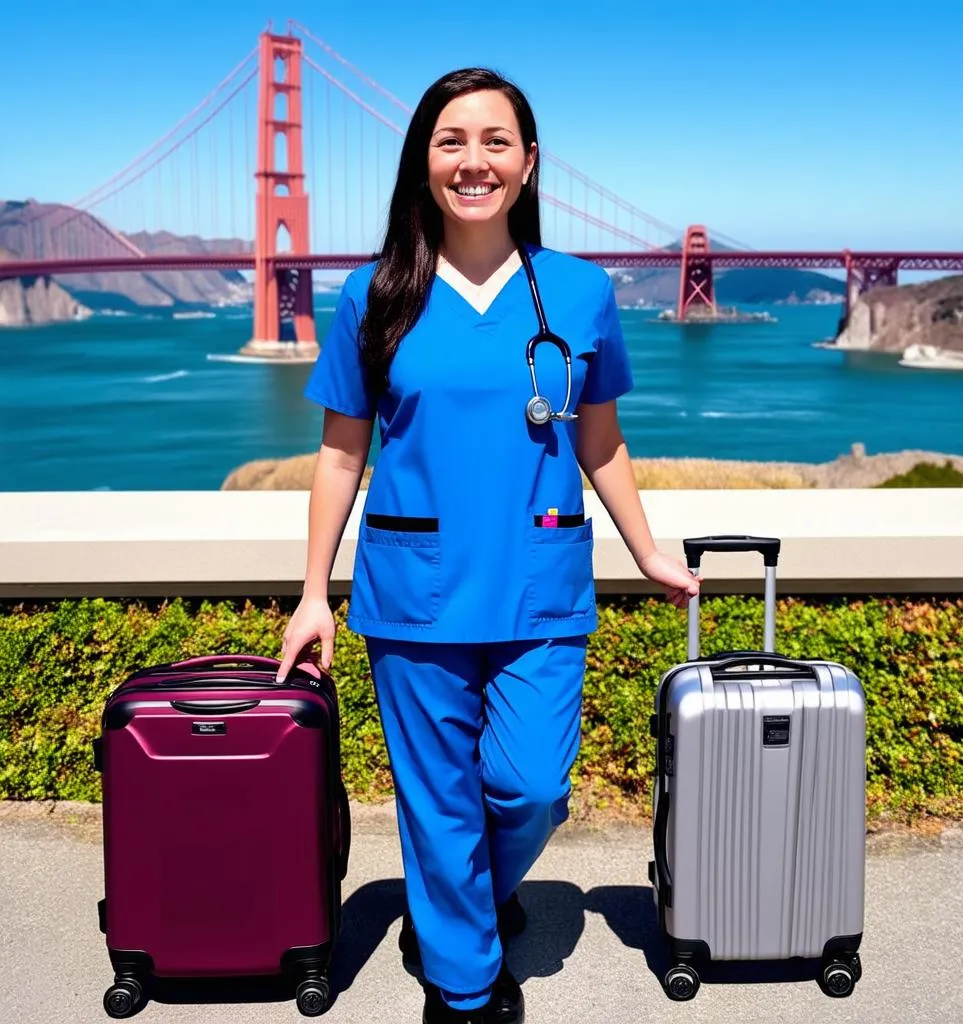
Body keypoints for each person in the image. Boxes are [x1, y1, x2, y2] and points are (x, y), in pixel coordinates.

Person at [275, 67, 702, 1024]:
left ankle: (456, 896)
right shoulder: (373, 294)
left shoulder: (581, 293)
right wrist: (313, 593)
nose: (474, 161)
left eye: (495, 141)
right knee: (437, 801)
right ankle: (463, 981)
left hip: (539, 587)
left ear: (530, 161)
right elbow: (343, 455)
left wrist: (645, 549)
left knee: (531, 783)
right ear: (423, 162)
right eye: (451, 140)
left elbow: (600, 438)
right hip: (414, 591)